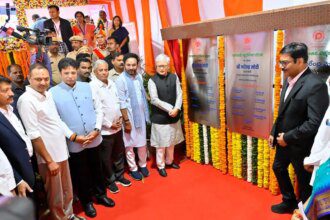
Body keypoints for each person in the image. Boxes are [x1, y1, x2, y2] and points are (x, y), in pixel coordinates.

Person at [17, 64, 84, 220]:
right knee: (55, 195)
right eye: (38, 79)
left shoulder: (47, 94)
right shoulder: (26, 100)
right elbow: (33, 135)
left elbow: (57, 121)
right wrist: (49, 160)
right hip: (49, 157)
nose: (43, 82)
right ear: (29, 79)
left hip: (61, 151)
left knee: (67, 189)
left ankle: (69, 215)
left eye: (46, 78)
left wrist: (72, 136)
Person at [269, 42, 329, 214]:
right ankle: (288, 201)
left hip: (302, 146)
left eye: (285, 63)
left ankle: (304, 213)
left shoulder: (316, 85)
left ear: (300, 61)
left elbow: (314, 122)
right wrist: (274, 132)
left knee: (304, 183)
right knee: (278, 168)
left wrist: (287, 138)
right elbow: (283, 111)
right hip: (282, 141)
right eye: (280, 62)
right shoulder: (289, 80)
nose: (281, 67)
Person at [50, 58, 114, 218]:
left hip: (94, 138)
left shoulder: (88, 87)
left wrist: (97, 129)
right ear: (61, 73)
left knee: (97, 169)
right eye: (66, 73)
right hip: (75, 142)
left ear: (77, 71)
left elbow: (98, 108)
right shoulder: (53, 93)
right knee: (81, 173)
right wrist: (73, 136)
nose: (70, 76)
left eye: (73, 72)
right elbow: (57, 119)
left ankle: (101, 195)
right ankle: (87, 202)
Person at [90, 60, 131, 194]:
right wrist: (109, 124)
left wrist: (120, 118)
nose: (104, 72)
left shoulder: (112, 83)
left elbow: (117, 102)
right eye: (100, 70)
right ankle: (110, 180)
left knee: (118, 154)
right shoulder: (92, 87)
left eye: (106, 70)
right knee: (106, 158)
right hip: (105, 130)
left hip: (118, 126)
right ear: (95, 72)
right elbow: (96, 110)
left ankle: (120, 176)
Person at [148, 54, 184, 177]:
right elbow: (154, 99)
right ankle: (161, 165)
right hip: (160, 118)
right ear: (156, 66)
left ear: (168, 66)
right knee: (161, 144)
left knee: (171, 141)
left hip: (174, 115)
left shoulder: (174, 77)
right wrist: (170, 109)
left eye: (163, 66)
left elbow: (180, 94)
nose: (161, 69)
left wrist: (177, 108)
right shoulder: (152, 80)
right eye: (159, 66)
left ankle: (170, 161)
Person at [115, 53, 150, 181]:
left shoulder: (139, 77)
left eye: (133, 65)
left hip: (140, 116)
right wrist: (127, 121)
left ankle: (143, 164)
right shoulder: (121, 80)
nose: (131, 67)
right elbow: (121, 102)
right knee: (129, 144)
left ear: (137, 65)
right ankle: (133, 168)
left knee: (142, 143)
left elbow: (142, 94)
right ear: (124, 65)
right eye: (128, 65)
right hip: (129, 117)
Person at [0, 76, 34, 197]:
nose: (11, 93)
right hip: (16, 177)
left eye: (11, 89)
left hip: (29, 166)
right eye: (5, 90)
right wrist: (18, 179)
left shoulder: (13, 109)